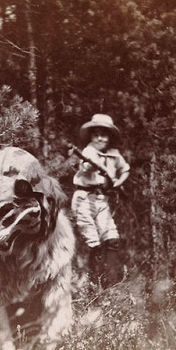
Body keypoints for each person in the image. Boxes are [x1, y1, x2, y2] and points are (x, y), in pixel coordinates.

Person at [71, 114, 130, 288]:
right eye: (95, 134)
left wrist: (118, 182)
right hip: (84, 199)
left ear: (110, 137)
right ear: (91, 136)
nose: (99, 138)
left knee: (111, 238)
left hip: (102, 200)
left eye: (103, 134)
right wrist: (90, 165)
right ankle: (93, 285)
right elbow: (86, 166)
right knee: (93, 243)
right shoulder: (88, 152)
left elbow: (125, 169)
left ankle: (110, 284)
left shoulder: (114, 154)